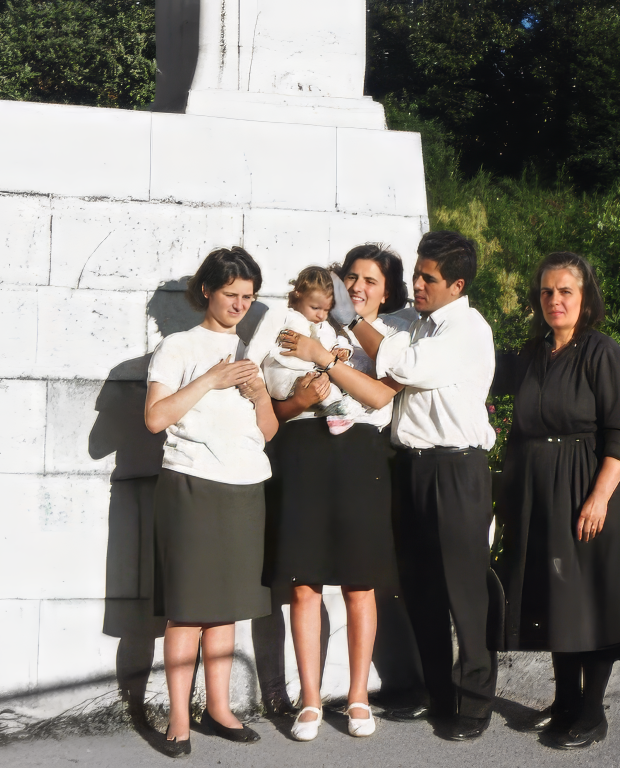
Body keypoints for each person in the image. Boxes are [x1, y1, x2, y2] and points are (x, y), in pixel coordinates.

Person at [280, 230, 498, 742]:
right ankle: (436, 692)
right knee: (419, 588)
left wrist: (345, 329)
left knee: (464, 590)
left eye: (429, 279)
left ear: (457, 285)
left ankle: (474, 702)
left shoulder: (466, 328)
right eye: (417, 275)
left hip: (456, 466)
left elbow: (400, 368)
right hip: (411, 464)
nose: (419, 285)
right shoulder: (414, 323)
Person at [495, 251, 620, 750]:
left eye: (565, 291)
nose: (554, 300)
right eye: (546, 291)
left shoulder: (604, 353)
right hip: (541, 494)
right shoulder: (532, 353)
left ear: (585, 297)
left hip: (589, 490)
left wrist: (599, 498)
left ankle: (592, 711)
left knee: (590, 599)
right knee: (557, 598)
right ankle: (564, 702)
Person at [258, 244, 411, 742]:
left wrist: (321, 357)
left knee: (359, 583)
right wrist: (301, 390)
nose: (358, 288)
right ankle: (309, 700)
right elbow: (276, 398)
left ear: (387, 292)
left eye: (371, 281)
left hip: (360, 455)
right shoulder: (304, 319)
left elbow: (379, 396)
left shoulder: (393, 336)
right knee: (303, 583)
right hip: (302, 451)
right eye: (352, 278)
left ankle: (358, 695)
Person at [144, 246, 277, 756]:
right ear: (207, 290)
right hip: (192, 484)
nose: (240, 304)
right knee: (188, 609)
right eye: (231, 294)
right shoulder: (177, 346)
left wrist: (259, 394)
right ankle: (179, 718)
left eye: (249, 296)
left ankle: (219, 709)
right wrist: (210, 380)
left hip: (245, 487)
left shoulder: (251, 352)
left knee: (228, 607)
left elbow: (266, 432)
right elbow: (155, 418)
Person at [260, 266, 357, 433]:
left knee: (336, 382)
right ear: (298, 295)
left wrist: (340, 349)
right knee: (325, 387)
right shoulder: (283, 316)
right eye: (315, 308)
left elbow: (334, 339)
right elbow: (259, 345)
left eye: (326, 310)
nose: (321, 315)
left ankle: (336, 413)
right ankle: (336, 410)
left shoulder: (325, 325)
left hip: (311, 375)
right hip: (285, 373)